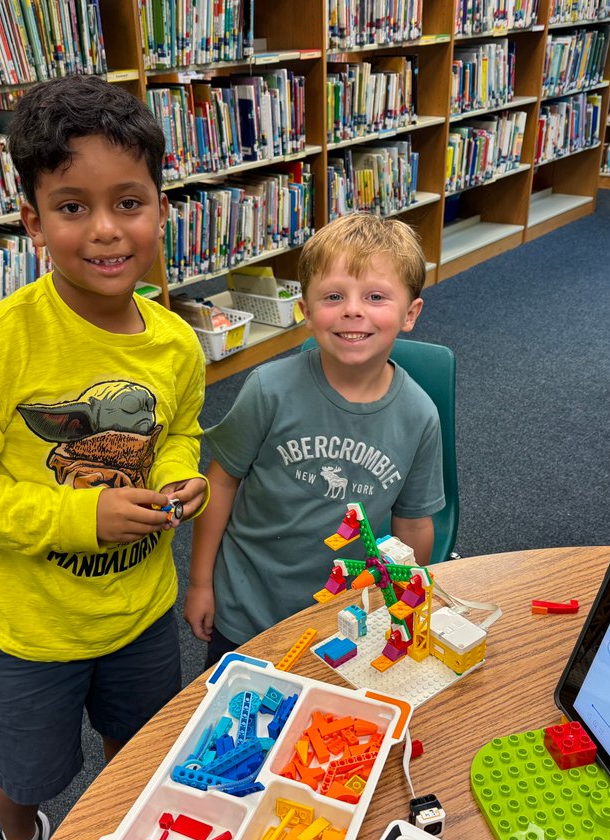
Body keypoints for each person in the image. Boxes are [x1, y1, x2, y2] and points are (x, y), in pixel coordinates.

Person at [0, 75, 207, 840]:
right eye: (73, 207)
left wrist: (178, 477)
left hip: (140, 611)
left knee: (140, 749)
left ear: (160, 208)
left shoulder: (176, 344)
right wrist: (81, 515)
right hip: (28, 629)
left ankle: (122, 835)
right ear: (32, 221)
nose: (106, 230)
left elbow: (179, 429)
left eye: (129, 203)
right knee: (25, 773)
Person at [185, 213, 445, 666]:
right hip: (249, 607)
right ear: (306, 311)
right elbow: (221, 482)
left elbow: (413, 524)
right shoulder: (268, 390)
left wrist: (403, 603)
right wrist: (200, 583)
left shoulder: (419, 415)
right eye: (333, 296)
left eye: (375, 296)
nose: (353, 310)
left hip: (349, 613)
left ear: (410, 314)